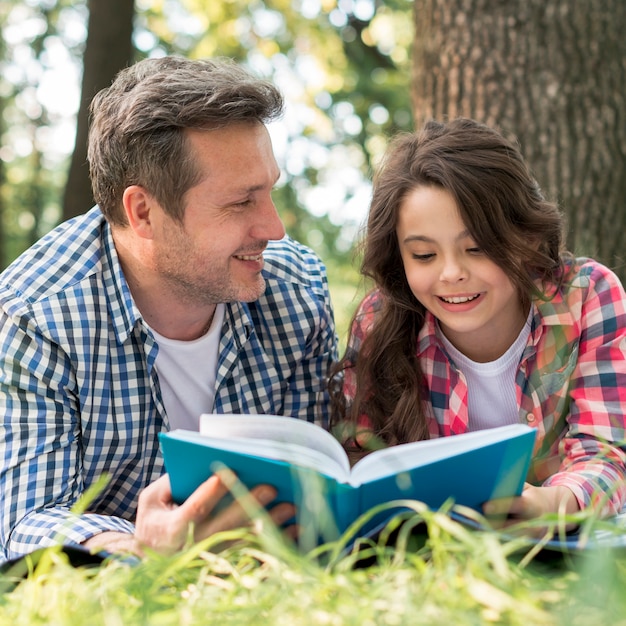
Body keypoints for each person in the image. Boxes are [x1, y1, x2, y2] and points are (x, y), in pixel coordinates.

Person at [0, 56, 337, 562]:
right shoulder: (34, 318)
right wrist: (141, 548)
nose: (274, 228)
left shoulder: (296, 290)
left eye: (270, 191)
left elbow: (316, 483)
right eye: (242, 202)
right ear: (144, 213)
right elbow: (25, 519)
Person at [330, 117, 626, 531]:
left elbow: (608, 451)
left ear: (527, 239)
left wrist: (555, 503)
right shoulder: (381, 321)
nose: (451, 273)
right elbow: (360, 455)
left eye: (477, 247)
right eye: (424, 256)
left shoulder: (586, 296)